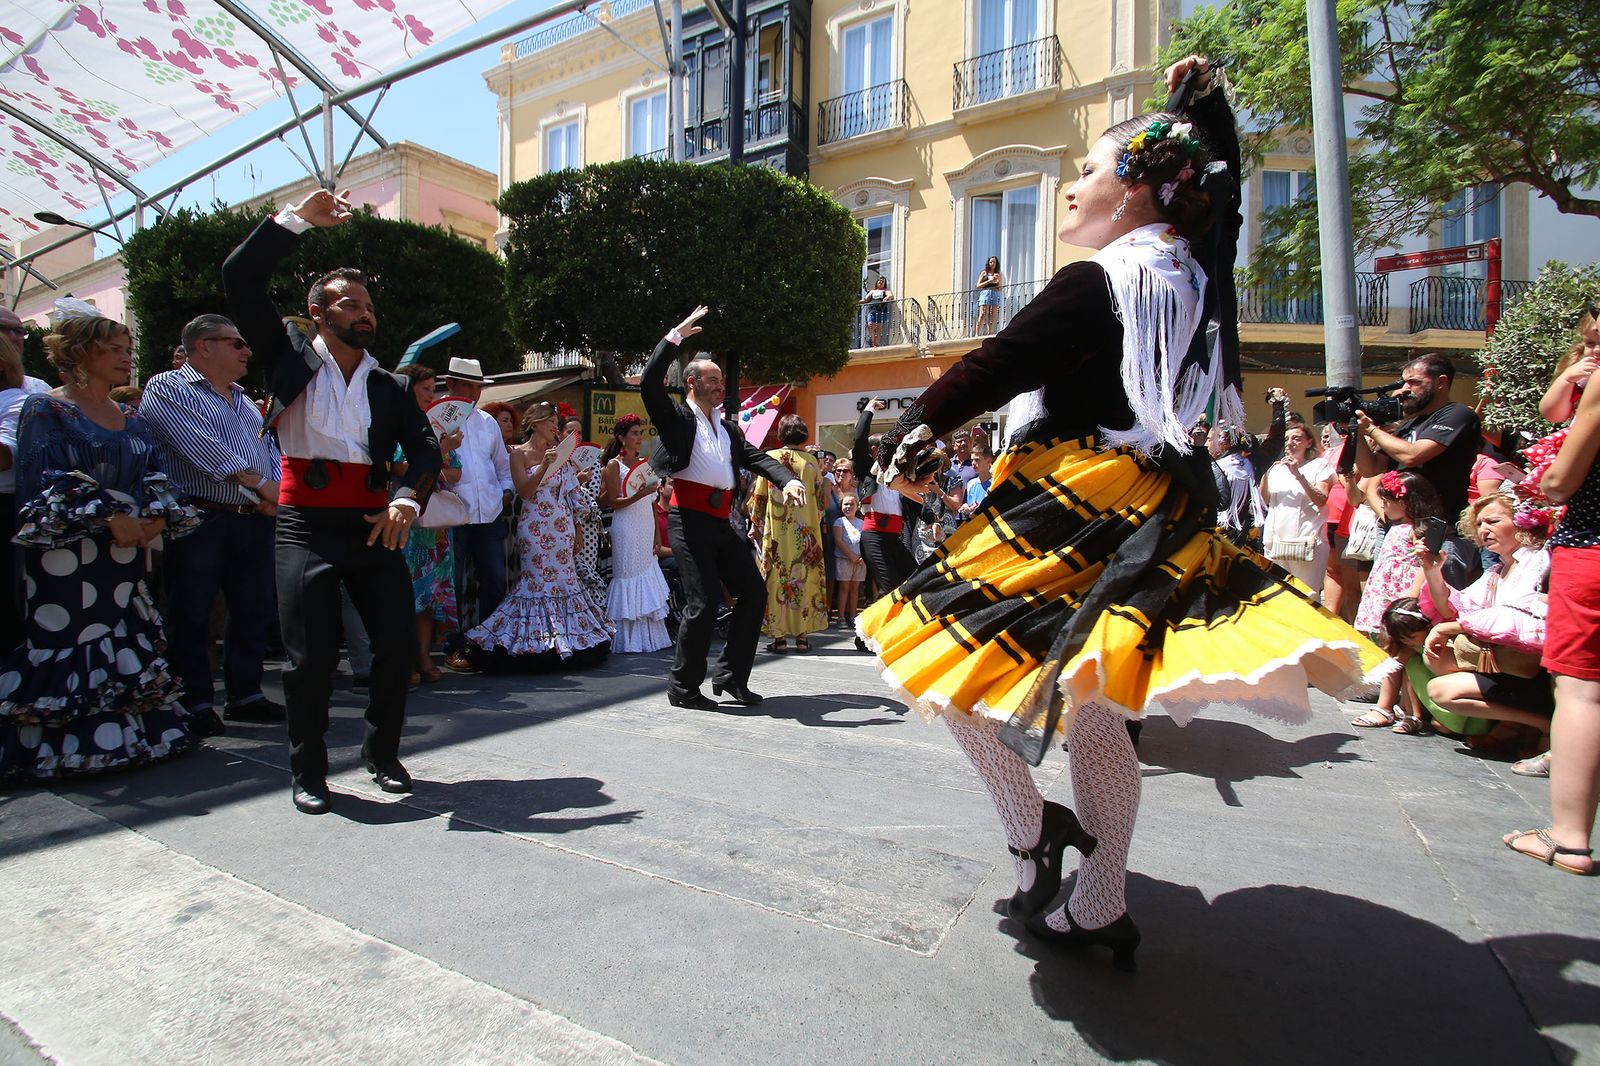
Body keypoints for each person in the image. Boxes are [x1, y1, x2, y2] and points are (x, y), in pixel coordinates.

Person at [856, 56, 1383, 966]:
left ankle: (1035, 832)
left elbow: (994, 367)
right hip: (1153, 502)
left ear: (1136, 192)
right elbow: (1221, 203)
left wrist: (911, 423)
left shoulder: (1095, 283)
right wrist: (1203, 115)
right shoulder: (1189, 278)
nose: (1073, 189)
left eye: (1092, 172)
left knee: (940, 672)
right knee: (1099, 716)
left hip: (1073, 506)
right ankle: (1098, 896)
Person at [223, 188, 441, 815]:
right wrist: (295, 222)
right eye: (348, 302)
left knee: (396, 648)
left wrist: (406, 501)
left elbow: (426, 457)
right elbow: (240, 276)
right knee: (310, 658)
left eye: (368, 303)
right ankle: (309, 772)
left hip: (374, 525)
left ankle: (382, 754)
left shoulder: (389, 385)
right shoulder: (286, 356)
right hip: (305, 524)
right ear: (317, 314)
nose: (363, 310)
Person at [0, 306, 206, 783]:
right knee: (69, 637)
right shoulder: (46, 409)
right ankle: (64, 749)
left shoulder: (131, 416)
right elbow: (43, 484)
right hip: (65, 554)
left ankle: (130, 739)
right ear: (78, 352)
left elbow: (154, 471)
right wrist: (109, 515)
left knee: (119, 632)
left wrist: (156, 515)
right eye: (112, 350)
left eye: (128, 350)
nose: (124, 358)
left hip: (123, 552)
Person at [640, 307, 806, 708]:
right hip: (687, 519)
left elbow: (756, 457)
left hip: (719, 521)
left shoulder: (727, 428)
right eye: (712, 380)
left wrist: (790, 479)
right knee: (702, 603)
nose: (720, 386)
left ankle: (731, 677)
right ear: (692, 383)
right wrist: (673, 337)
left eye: (720, 379)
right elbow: (648, 384)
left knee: (753, 592)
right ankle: (683, 688)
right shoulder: (678, 418)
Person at [139, 314, 285, 725]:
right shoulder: (167, 387)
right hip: (201, 516)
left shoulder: (241, 398)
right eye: (236, 343)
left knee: (253, 609)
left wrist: (271, 491)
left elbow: (267, 448)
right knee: (191, 610)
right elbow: (200, 448)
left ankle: (246, 694)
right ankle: (195, 701)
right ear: (204, 346)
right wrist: (260, 487)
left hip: (252, 517)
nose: (247, 351)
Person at [1503, 332, 1600, 875]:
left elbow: (1562, 481)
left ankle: (1568, 839)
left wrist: (1546, 480)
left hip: (1592, 546)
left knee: (1583, 693)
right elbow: (1553, 406)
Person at [465, 403, 611, 671]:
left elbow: (570, 492)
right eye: (550, 421)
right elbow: (524, 492)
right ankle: (532, 642)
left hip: (562, 526)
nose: (555, 426)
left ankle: (568, 640)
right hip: (534, 527)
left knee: (565, 582)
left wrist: (577, 529)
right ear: (535, 423)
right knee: (536, 584)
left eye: (557, 422)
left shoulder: (562, 455)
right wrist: (544, 466)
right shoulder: (518, 455)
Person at [1413, 494, 1552, 741]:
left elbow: (1513, 618)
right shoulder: (1496, 571)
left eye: (1493, 521)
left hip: (1533, 669)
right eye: (1479, 524)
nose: (1484, 530)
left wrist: (1447, 629)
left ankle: (1539, 722)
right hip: (1506, 664)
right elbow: (1449, 610)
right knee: (1435, 657)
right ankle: (1516, 725)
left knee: (1441, 690)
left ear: (1520, 522)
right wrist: (1432, 569)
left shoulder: (1535, 560)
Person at [1355, 355, 1482, 586]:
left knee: (1433, 608)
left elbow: (1413, 455)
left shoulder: (1458, 415)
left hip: (1440, 534)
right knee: (1391, 608)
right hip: (1398, 530)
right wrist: (1354, 431)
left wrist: (1371, 430)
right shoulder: (1408, 424)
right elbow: (1370, 467)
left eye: (1413, 382)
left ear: (1441, 382)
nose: (1404, 390)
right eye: (1403, 382)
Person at [1349, 469, 1449, 731]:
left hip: (1400, 595)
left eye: (1388, 500)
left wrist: (1410, 598)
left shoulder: (1419, 530)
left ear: (1406, 502)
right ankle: (1404, 709)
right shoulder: (1396, 526)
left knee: (1395, 652)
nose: (1383, 504)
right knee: (1388, 650)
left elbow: (1422, 565)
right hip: (1384, 591)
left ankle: (1386, 707)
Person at [439, 358, 512, 672]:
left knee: (494, 579)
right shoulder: (436, 419)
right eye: (467, 385)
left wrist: (506, 493)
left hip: (489, 513)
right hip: (451, 513)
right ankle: (453, 646)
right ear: (452, 385)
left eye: (477, 386)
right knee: (452, 582)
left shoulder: (486, 421)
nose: (473, 392)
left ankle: (488, 642)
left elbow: (502, 466)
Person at [393, 365, 464, 683]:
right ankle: (403, 656)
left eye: (433, 389)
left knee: (431, 593)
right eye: (425, 388)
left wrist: (437, 460)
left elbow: (456, 473)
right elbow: (400, 468)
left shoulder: (438, 428)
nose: (431, 395)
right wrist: (440, 454)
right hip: (405, 519)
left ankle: (423, 655)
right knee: (405, 592)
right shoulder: (397, 423)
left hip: (435, 527)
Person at [748, 414, 830, 654]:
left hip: (777, 533)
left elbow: (759, 496)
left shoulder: (770, 459)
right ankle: (802, 637)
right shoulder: (812, 462)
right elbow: (820, 502)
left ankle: (779, 638)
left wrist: (756, 523)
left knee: (776, 579)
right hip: (805, 532)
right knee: (803, 580)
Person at [599, 414, 671, 653]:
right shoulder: (613, 465)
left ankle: (650, 638)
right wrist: (639, 494)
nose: (639, 437)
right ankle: (625, 639)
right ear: (622, 438)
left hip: (645, 525)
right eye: (634, 433)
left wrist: (658, 537)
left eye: (641, 433)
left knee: (648, 574)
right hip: (626, 526)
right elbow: (611, 501)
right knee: (627, 576)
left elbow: (653, 502)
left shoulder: (645, 465)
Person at [1260, 422, 1335, 600]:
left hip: (1306, 542)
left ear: (1309, 442)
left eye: (1297, 438)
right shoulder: (1276, 469)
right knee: (1279, 596)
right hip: (1276, 543)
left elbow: (1321, 499)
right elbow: (1265, 501)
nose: (1290, 442)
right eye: (1287, 439)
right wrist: (1264, 470)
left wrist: (1298, 475)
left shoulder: (1319, 465)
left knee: (1307, 595)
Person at [832, 494, 866, 630]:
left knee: (855, 588)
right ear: (841, 507)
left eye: (851, 504)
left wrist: (863, 556)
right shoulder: (839, 522)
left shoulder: (862, 523)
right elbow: (838, 541)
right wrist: (851, 555)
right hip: (844, 559)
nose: (848, 507)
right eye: (845, 504)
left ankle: (852, 615)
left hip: (860, 561)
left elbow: (865, 541)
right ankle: (841, 617)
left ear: (857, 506)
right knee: (844, 587)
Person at [861, 277, 894, 347]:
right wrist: (856, 302)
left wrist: (886, 298)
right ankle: (872, 343)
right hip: (872, 310)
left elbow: (890, 295)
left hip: (881, 311)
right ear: (877, 282)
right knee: (870, 326)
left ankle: (876, 343)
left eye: (883, 281)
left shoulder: (886, 290)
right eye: (879, 280)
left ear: (884, 284)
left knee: (879, 328)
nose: (881, 282)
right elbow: (866, 299)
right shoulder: (872, 291)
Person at [975, 256, 1003, 335]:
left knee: (992, 313)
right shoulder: (984, 273)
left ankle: (989, 332)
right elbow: (978, 285)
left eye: (994, 262)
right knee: (982, 313)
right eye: (991, 262)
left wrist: (997, 280)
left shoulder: (998, 274)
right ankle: (977, 333)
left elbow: (1000, 288)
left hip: (994, 292)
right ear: (988, 263)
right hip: (985, 292)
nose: (993, 264)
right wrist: (988, 281)